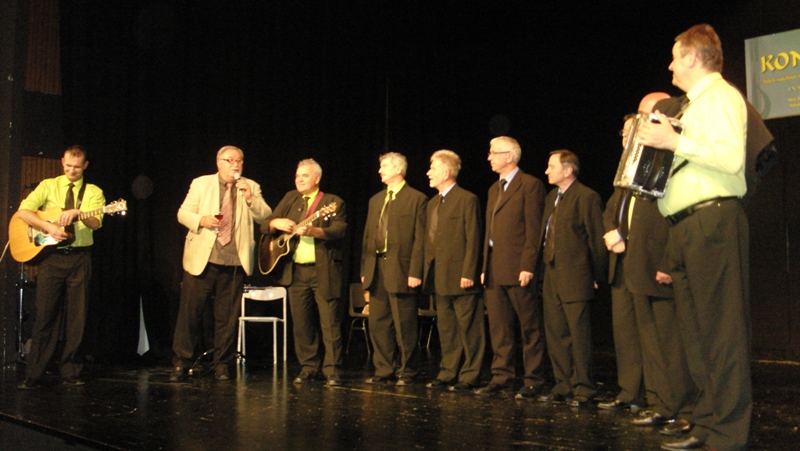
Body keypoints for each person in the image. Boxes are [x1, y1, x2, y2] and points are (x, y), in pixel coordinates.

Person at [637, 24, 751, 451]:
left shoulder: (720, 96)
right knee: (697, 335)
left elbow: (730, 157)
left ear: (691, 57)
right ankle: (706, 422)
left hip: (712, 221)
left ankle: (729, 433)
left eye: (673, 57)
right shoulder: (691, 106)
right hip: (685, 225)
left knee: (721, 333)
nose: (669, 66)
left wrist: (674, 140)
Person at [170, 145, 271, 382]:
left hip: (234, 261)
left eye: (239, 161)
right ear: (219, 163)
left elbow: (266, 217)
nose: (235, 164)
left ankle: (222, 364)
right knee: (190, 314)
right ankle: (181, 362)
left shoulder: (251, 186)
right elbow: (183, 213)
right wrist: (201, 220)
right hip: (203, 259)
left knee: (227, 317)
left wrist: (250, 198)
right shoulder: (201, 183)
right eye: (230, 160)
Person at [599, 93, 670, 411]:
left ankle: (658, 398)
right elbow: (611, 210)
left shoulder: (659, 163)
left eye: (632, 130)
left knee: (652, 337)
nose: (626, 136)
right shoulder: (624, 171)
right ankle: (630, 393)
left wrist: (626, 235)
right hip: (621, 264)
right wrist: (611, 232)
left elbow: (660, 218)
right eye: (624, 132)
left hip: (648, 261)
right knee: (626, 334)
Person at [17, 145, 106, 389]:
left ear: (85, 166)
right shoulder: (48, 186)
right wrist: (48, 227)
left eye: (77, 167)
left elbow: (96, 223)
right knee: (45, 316)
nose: (72, 171)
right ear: (62, 162)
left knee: (77, 318)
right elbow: (23, 211)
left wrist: (79, 212)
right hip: (52, 257)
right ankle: (34, 373)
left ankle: (71, 372)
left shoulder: (93, 191)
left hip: (80, 258)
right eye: (68, 166)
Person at [263, 159, 347, 387]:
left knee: (329, 323)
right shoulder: (290, 198)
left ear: (317, 179)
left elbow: (340, 229)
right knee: (302, 325)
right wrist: (277, 223)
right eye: (297, 175)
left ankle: (333, 370)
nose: (299, 179)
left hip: (323, 272)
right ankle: (309, 367)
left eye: (305, 176)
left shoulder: (332, 202)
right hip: (296, 272)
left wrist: (315, 231)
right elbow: (265, 224)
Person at [477, 136, 547, 398]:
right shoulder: (493, 189)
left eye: (493, 152)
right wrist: (484, 266)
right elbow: (489, 232)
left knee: (529, 327)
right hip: (494, 269)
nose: (489, 157)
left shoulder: (529, 185)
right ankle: (502, 376)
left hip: (519, 268)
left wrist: (528, 265)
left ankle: (534, 379)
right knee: (499, 328)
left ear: (509, 156)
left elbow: (534, 229)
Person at [538, 149, 606, 407]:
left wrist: (597, 274)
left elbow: (595, 238)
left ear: (568, 170)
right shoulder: (552, 197)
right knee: (556, 333)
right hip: (551, 273)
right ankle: (563, 384)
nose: (547, 171)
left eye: (551, 166)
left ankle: (584, 387)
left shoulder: (586, 197)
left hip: (576, 274)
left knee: (578, 335)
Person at [361, 152, 427, 386]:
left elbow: (420, 240)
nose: (380, 170)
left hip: (402, 269)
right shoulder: (376, 200)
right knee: (378, 323)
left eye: (385, 166)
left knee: (404, 324)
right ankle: (384, 369)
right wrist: (365, 268)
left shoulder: (416, 198)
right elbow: (368, 236)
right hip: (376, 268)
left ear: (398, 169)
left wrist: (415, 271)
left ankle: (408, 371)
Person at [422, 150, 485, 391]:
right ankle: (448, 371)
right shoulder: (432, 203)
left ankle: (470, 374)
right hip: (439, 276)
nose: (428, 173)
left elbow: (473, 239)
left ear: (446, 172)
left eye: (433, 168)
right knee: (447, 327)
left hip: (461, 276)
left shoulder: (467, 199)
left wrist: (469, 272)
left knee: (469, 328)